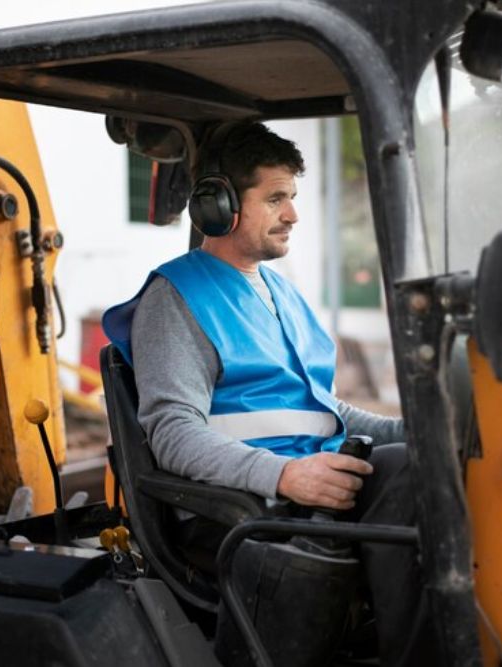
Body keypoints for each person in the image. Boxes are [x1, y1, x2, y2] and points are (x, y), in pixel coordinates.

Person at [103, 122, 422, 665]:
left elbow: (323, 411)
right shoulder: (175, 298)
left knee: (426, 461)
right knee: (407, 479)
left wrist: (422, 429)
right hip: (238, 511)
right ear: (217, 205)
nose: (292, 214)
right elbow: (174, 434)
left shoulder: (279, 291)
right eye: (275, 198)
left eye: (292, 198)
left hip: (303, 482)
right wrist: (284, 475)